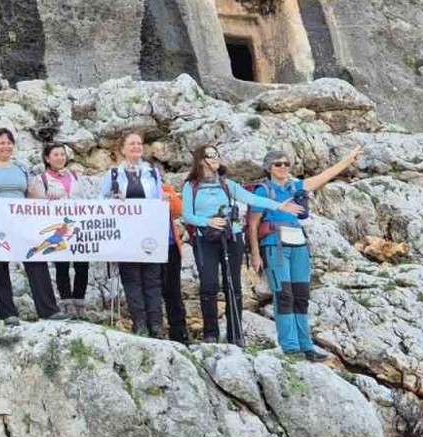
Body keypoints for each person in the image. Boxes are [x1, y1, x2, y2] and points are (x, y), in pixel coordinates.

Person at [181, 145, 304, 344]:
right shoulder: (191, 186)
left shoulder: (227, 184)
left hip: (232, 236)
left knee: (233, 284)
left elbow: (252, 198)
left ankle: (236, 334)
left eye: (217, 155)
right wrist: (207, 221)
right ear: (200, 160)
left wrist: (280, 205)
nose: (215, 158)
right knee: (209, 285)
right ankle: (211, 334)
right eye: (210, 155)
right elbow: (187, 215)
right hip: (205, 239)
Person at [250, 147, 362, 361]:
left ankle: (306, 345)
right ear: (269, 168)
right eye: (278, 164)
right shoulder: (263, 191)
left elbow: (324, 176)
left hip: (298, 243)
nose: (283, 167)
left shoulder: (295, 187)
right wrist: (255, 254)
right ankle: (290, 347)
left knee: (301, 295)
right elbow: (253, 224)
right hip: (275, 244)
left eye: (286, 163)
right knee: (284, 295)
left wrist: (348, 159)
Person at [0, 128, 63, 324]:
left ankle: (48, 310)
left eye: (9, 142)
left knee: (35, 259)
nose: (6, 146)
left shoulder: (21, 167)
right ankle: (8, 314)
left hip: (22, 221)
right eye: (1, 142)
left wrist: (48, 199)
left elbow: (32, 193)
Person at [97, 132, 168, 337]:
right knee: (132, 279)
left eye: (139, 143)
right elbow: (101, 200)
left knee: (153, 279)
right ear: (123, 149)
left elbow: (160, 199)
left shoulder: (152, 173)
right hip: (126, 235)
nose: (136, 147)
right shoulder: (113, 175)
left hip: (150, 233)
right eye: (131, 144)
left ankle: (156, 325)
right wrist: (114, 202)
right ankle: (140, 324)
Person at [28, 144, 90, 319]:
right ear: (47, 158)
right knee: (62, 265)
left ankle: (80, 302)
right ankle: (66, 303)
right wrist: (46, 197)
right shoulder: (42, 179)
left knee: (82, 265)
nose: (60, 157)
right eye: (56, 154)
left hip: (78, 227)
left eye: (62, 154)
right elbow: (35, 203)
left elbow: (84, 199)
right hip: (58, 229)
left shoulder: (75, 176)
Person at [161, 181, 190, 343]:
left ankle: (179, 332)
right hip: (146, 248)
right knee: (150, 289)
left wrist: (168, 195)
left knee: (173, 290)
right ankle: (154, 327)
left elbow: (179, 209)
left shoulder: (164, 186)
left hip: (170, 244)